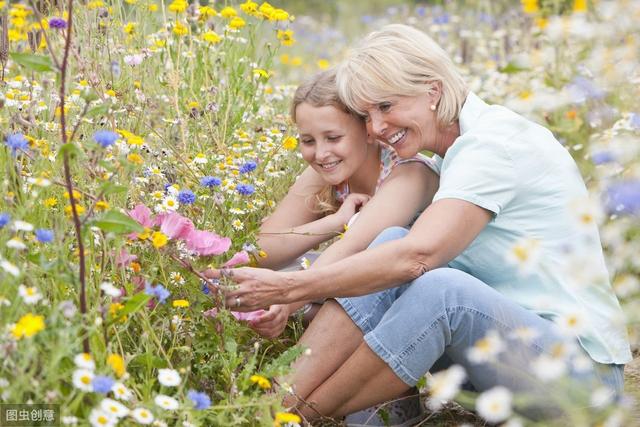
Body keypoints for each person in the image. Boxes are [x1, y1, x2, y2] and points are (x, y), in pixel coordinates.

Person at [207, 24, 631, 422]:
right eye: (367, 114)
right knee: (394, 244)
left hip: (580, 379)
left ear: (433, 91)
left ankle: (281, 416)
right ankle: (279, 403)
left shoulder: (494, 145)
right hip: (509, 354)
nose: (376, 127)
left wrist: (289, 288)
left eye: (386, 106)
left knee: (439, 289)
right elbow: (392, 251)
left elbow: (419, 256)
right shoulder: (457, 153)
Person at [247, 68, 439, 340]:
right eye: (308, 141)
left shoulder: (409, 173)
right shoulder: (327, 168)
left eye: (334, 138)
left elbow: (354, 248)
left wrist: (286, 300)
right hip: (362, 286)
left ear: (369, 131)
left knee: (280, 288)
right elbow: (262, 251)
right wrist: (334, 223)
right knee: (269, 275)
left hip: (415, 298)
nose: (322, 153)